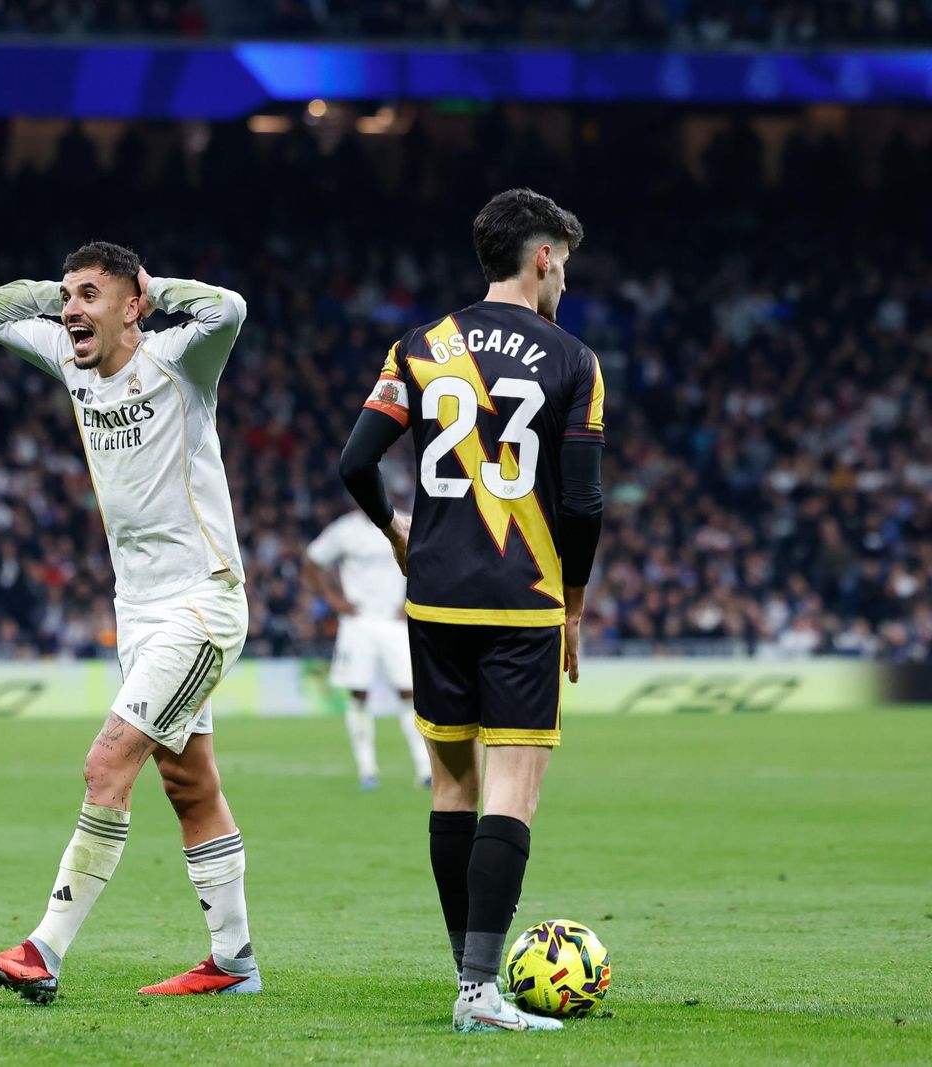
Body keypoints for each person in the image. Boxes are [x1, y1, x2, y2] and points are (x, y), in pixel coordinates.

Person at [338, 189, 605, 1033]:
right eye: (563, 260)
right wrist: (573, 603)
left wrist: (392, 531)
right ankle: (481, 995)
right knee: (512, 792)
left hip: (434, 596)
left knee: (452, 786)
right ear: (542, 258)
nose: (564, 275)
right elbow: (586, 503)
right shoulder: (573, 358)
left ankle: (469, 975)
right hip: (522, 600)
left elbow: (354, 461)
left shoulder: (420, 346)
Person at [0, 242, 258, 1003]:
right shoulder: (70, 357)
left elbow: (228, 307)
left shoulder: (180, 363)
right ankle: (233, 962)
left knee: (106, 764)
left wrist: (156, 286)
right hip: (137, 609)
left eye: (89, 295)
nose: (70, 309)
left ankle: (44, 948)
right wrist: (52, 295)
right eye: (67, 295)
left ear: (133, 305)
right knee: (189, 785)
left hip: (202, 600)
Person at [304, 508, 433, 791]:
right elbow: (312, 561)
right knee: (359, 693)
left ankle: (424, 768)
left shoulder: (405, 522)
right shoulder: (345, 529)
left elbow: (429, 561)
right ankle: (367, 769)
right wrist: (333, 600)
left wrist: (415, 597)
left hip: (394, 620)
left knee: (409, 693)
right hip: (358, 621)